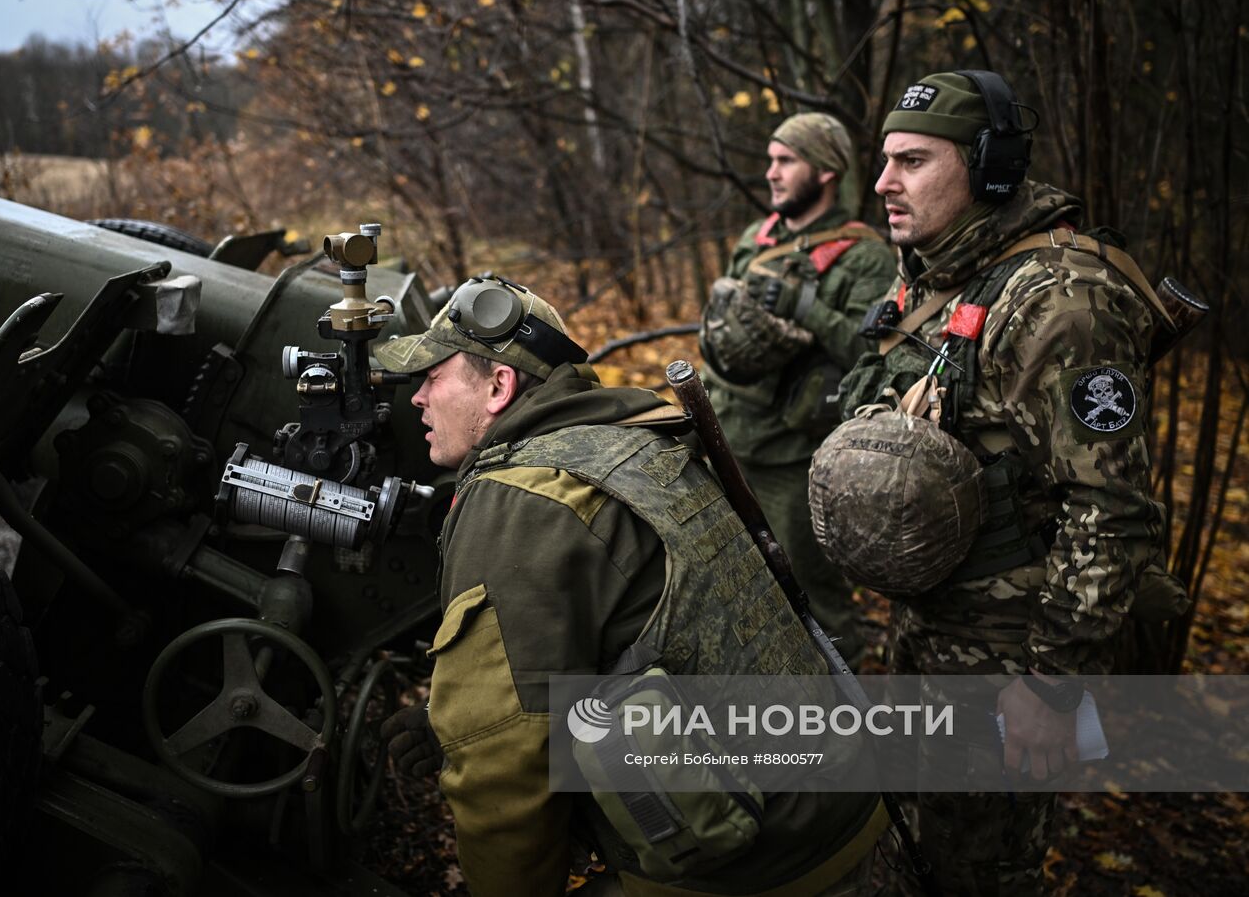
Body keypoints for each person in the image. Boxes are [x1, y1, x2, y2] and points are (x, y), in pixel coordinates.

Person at [376, 277, 886, 897]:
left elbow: (503, 780)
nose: (417, 399)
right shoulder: (635, 440)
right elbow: (658, 636)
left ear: (497, 386)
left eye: (433, 377)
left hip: (757, 867)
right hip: (845, 810)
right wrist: (450, 720)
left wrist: (478, 740)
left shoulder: (518, 502)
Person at [829, 70, 1179, 893]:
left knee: (975, 868)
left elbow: (1113, 510)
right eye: (885, 160)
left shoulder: (1061, 300)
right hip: (930, 625)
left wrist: (1050, 689)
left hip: (1006, 656)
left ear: (989, 168)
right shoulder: (941, 270)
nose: (883, 183)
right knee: (910, 850)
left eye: (912, 161)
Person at [698, 112, 896, 670]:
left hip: (796, 461)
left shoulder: (866, 256)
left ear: (826, 171)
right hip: (726, 443)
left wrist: (805, 307)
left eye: (786, 160)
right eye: (770, 160)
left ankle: (851, 725)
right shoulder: (754, 239)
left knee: (816, 603)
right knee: (726, 590)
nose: (771, 173)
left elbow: (872, 357)